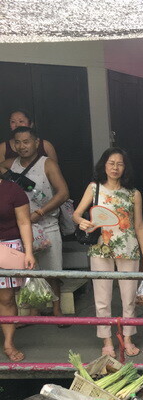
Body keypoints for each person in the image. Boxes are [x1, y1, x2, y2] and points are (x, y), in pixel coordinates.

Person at [73, 148, 143, 358]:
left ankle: (127, 338)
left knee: (129, 297)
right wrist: (82, 222)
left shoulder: (134, 193)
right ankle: (107, 340)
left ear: (125, 167)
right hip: (101, 248)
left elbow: (140, 226)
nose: (115, 168)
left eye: (120, 164)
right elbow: (76, 214)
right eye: (111, 163)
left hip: (129, 248)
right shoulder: (94, 188)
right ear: (104, 165)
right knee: (102, 297)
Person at [5, 126, 70, 320]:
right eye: (18, 142)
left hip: (47, 223)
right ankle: (34, 311)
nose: (22, 146)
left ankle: (57, 310)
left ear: (36, 142)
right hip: (23, 226)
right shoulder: (9, 165)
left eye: (26, 141)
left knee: (53, 269)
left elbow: (63, 192)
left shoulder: (47, 164)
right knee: (29, 269)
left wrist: (41, 211)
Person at [0, 173, 35, 361]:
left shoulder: (13, 190)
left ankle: (8, 343)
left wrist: (28, 251)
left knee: (6, 298)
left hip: (8, 249)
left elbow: (24, 222)